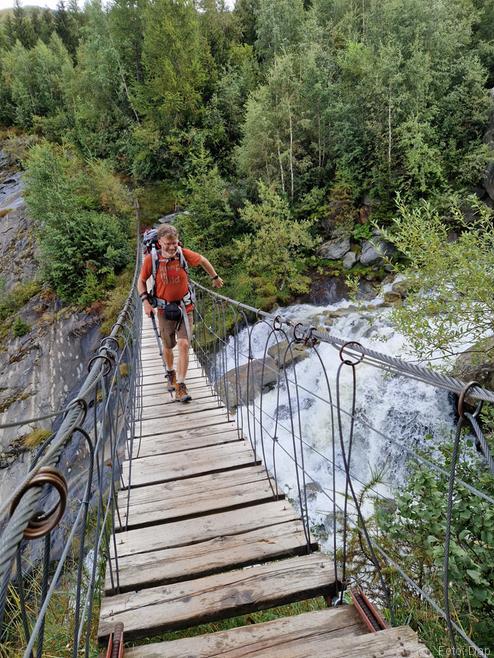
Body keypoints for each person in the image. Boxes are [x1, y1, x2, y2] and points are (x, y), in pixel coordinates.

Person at [137, 224, 224, 402]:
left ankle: (181, 386)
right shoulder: (151, 260)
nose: (172, 247)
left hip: (185, 307)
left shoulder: (183, 254)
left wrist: (214, 277)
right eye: (168, 243)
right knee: (168, 346)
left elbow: (203, 261)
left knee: (184, 344)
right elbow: (141, 281)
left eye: (175, 243)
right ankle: (170, 372)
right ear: (160, 242)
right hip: (163, 309)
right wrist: (145, 302)